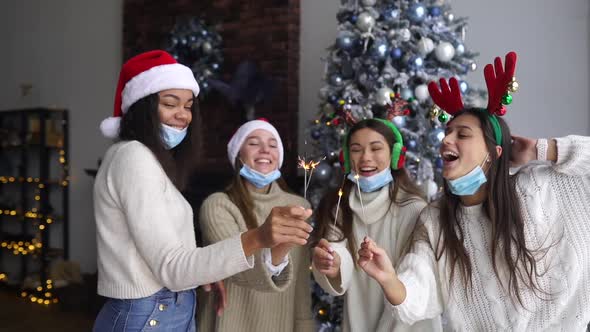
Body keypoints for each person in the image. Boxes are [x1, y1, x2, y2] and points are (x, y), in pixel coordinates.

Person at [358, 52, 590, 331]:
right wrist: (389, 279)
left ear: (493, 153)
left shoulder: (539, 187)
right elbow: (418, 294)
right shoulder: (436, 219)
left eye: (463, 134)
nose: (447, 139)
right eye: (447, 132)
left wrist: (543, 149)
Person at [93, 50, 313, 331]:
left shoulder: (149, 160)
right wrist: (258, 237)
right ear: (143, 107)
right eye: (170, 104)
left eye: (188, 106)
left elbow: (168, 258)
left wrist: (202, 274)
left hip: (166, 308)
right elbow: (172, 267)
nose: (182, 115)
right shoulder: (133, 157)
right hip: (151, 314)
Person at [311, 118, 440, 331]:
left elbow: (418, 284)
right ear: (346, 157)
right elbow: (336, 251)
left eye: (376, 148)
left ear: (395, 155)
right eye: (356, 149)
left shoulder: (414, 209)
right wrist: (331, 264)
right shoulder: (340, 208)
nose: (366, 158)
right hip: (359, 321)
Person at [197, 119, 315, 332]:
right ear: (238, 154)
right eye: (253, 143)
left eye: (272, 145)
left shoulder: (299, 207)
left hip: (280, 324)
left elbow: (300, 282)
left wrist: (304, 325)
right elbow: (234, 267)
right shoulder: (218, 205)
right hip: (229, 324)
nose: (265, 150)